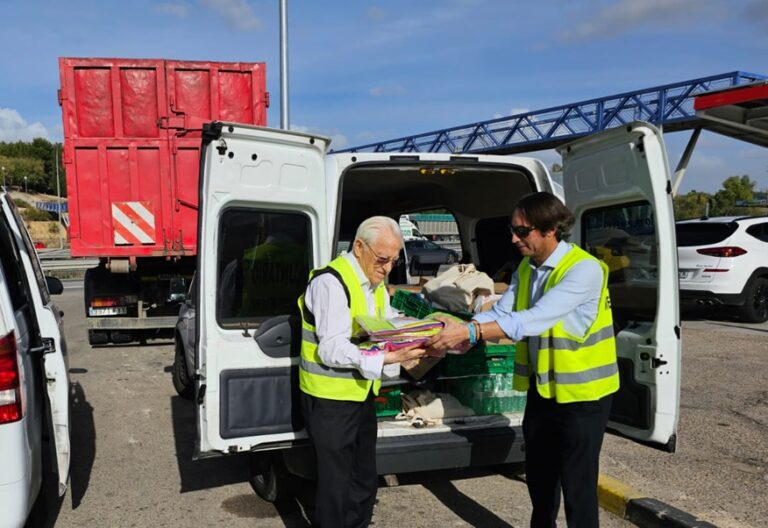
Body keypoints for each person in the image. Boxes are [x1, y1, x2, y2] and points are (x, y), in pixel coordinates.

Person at [428, 192, 619, 528]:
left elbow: (533, 319)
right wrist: (462, 328)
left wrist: (469, 334)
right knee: (541, 478)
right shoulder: (527, 268)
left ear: (550, 229)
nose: (513, 238)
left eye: (522, 231)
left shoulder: (584, 270)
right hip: (544, 390)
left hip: (584, 395)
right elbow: (503, 312)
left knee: (578, 485)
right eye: (512, 230)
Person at [298, 216, 426, 528]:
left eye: (394, 261)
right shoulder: (331, 283)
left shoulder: (376, 285)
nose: (387, 268)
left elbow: (382, 326)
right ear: (358, 247)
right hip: (329, 400)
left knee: (364, 480)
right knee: (336, 488)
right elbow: (331, 348)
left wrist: (418, 332)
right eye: (382, 259)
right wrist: (387, 358)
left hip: (360, 394)